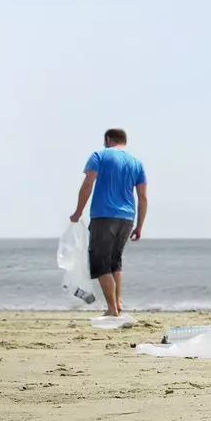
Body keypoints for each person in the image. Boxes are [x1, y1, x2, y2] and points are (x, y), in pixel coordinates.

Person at [69, 128, 147, 319]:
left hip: (104, 216)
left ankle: (112, 309)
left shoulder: (99, 155)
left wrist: (78, 212)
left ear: (108, 139)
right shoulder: (136, 163)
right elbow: (143, 197)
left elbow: (88, 183)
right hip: (127, 218)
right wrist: (139, 226)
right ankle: (118, 304)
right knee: (115, 263)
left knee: (101, 263)